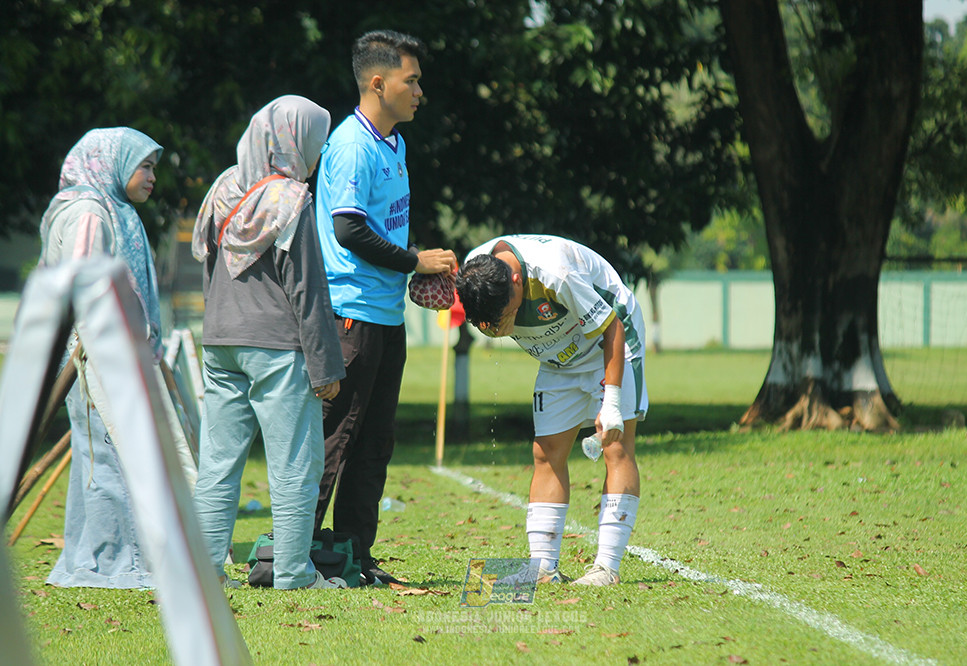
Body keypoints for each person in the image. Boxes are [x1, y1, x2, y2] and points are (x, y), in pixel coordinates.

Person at [313, 29, 457, 586]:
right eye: (412, 80)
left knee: (374, 441)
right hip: (350, 313)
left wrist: (412, 266)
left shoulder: (393, 143)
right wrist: (413, 261)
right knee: (336, 437)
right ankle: (296, 555)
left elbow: (378, 225)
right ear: (379, 82)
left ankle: (351, 555)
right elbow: (347, 229)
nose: (420, 91)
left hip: (384, 315)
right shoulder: (351, 143)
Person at [191, 95, 345, 590]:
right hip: (277, 347)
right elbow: (307, 289)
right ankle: (295, 573)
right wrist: (325, 370)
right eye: (316, 141)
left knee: (217, 462)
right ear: (293, 139)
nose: (318, 153)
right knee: (295, 463)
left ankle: (206, 571)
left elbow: (210, 266)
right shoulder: (291, 198)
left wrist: (218, 326)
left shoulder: (223, 188)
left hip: (219, 341)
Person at [456, 234, 646, 586]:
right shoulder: (476, 273)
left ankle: (606, 568)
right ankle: (542, 568)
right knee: (546, 453)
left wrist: (613, 402)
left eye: (507, 311)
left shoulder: (555, 272)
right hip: (556, 358)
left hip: (609, 344)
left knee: (616, 445)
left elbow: (613, 328)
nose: (501, 324)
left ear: (517, 280)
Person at [39, 127, 163, 588]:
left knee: (99, 459)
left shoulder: (111, 208)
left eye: (153, 167)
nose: (152, 177)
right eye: (144, 165)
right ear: (111, 163)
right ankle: (115, 564)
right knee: (107, 459)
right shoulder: (90, 210)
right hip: (92, 354)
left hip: (105, 350)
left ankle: (89, 559)